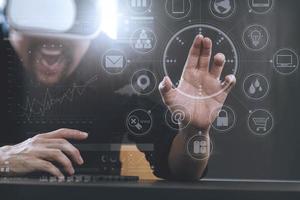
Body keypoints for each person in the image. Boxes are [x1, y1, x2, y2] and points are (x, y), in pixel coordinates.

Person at [0, 0, 236, 181]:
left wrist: (194, 130)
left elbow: (182, 171)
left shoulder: (115, 71)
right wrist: (4, 160)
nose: (51, 37)